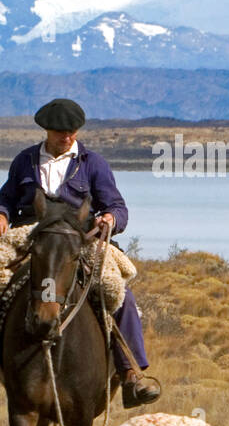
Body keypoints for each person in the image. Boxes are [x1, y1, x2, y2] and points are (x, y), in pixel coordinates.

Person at [0, 98, 160, 407]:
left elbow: (116, 205)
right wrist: (3, 215)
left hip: (79, 238)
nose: (67, 137)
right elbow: (6, 197)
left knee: (118, 292)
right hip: (30, 235)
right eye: (61, 131)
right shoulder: (25, 160)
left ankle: (131, 373)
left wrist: (111, 219)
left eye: (72, 131)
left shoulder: (92, 163)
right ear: (47, 130)